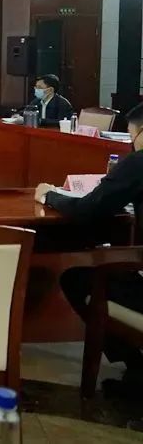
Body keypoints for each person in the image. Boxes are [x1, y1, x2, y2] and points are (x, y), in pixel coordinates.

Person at [35, 100, 143, 399]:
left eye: (132, 136)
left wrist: (49, 196)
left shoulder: (139, 161)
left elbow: (87, 210)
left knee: (78, 279)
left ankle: (137, 369)